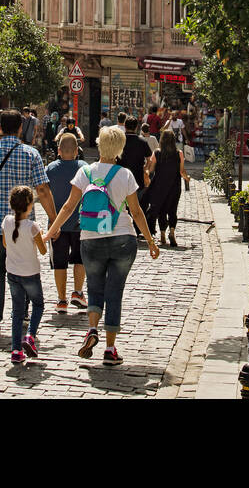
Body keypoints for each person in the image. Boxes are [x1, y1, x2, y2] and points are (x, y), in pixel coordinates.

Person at [46, 125, 160, 367]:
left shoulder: (85, 172)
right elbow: (137, 212)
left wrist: (52, 230)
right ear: (119, 149)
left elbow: (68, 206)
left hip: (90, 237)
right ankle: (110, 349)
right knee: (114, 292)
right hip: (122, 238)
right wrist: (150, 241)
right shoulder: (125, 174)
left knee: (95, 288)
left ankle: (92, 329)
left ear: (99, 145)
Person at [0, 110, 57, 339]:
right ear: (20, 128)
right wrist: (54, 218)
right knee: (24, 268)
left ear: (0, 129)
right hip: (24, 226)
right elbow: (43, 189)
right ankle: (23, 314)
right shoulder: (31, 154)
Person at [45, 133, 88, 314]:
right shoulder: (85, 168)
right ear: (77, 151)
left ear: (59, 151)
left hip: (57, 225)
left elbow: (43, 193)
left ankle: (61, 299)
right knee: (80, 259)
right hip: (80, 223)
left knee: (59, 262)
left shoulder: (51, 169)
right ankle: (77, 292)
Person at [4, 185, 46, 364]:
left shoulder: (6, 221)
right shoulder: (32, 227)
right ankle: (30, 336)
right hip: (30, 273)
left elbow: (6, 244)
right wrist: (43, 236)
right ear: (29, 205)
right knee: (38, 304)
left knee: (17, 311)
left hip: (12, 272)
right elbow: (43, 251)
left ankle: (15, 350)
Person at [145, 129, 189, 248]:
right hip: (174, 186)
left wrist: (146, 172)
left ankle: (163, 234)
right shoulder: (179, 153)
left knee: (162, 210)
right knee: (172, 209)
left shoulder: (157, 153)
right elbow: (181, 171)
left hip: (160, 186)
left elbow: (152, 169)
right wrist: (187, 178)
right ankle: (172, 232)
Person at [118, 118, 153, 240]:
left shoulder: (120, 141)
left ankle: (124, 228)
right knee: (137, 205)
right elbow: (149, 159)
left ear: (125, 127)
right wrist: (145, 169)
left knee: (123, 205)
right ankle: (136, 229)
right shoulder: (142, 141)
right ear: (136, 127)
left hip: (120, 177)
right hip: (137, 178)